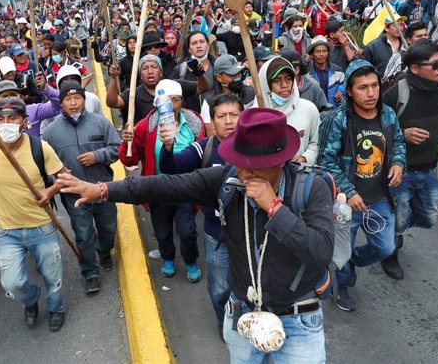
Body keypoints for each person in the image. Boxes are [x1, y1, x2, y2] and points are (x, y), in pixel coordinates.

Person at [58, 107, 334, 364]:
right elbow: (164, 186)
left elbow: (320, 252)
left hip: (297, 318)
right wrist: (104, 190)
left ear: (279, 161)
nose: (244, 172)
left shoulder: (311, 188)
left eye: (254, 165)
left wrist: (275, 208)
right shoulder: (227, 182)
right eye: (240, 162)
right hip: (243, 312)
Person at [0, 97, 69, 332]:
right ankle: (31, 299)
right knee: (12, 283)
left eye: (13, 118)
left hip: (42, 226)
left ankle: (56, 308)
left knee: (52, 276)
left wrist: (50, 191)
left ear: (25, 122)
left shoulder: (40, 147)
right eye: (1, 118)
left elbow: (65, 176)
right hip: (7, 230)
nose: (6, 123)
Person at [318, 59, 406, 312]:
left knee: (385, 247)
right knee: (340, 255)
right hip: (345, 204)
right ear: (349, 90)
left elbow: (398, 143)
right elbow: (327, 163)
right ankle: (341, 288)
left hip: (379, 199)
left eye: (374, 86)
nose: (370, 93)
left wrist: (398, 163)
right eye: (362, 87)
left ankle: (355, 261)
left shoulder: (387, 114)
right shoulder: (337, 120)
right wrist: (350, 191)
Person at [159, 93, 242, 339]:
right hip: (217, 235)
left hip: (254, 236)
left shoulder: (257, 147)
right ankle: (225, 326)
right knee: (219, 289)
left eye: (234, 115)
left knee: (254, 288)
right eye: (221, 116)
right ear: (212, 121)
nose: (229, 121)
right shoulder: (204, 148)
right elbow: (171, 168)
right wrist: (168, 146)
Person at [120, 79, 205, 282]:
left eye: (175, 100)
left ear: (182, 102)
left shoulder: (194, 123)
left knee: (187, 232)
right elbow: (128, 159)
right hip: (157, 188)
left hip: (185, 188)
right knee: (163, 231)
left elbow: (203, 153)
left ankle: (191, 261)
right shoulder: (145, 127)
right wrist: (126, 141)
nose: (170, 105)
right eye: (165, 101)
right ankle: (167, 258)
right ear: (157, 103)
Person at [42, 82, 121, 293]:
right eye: (68, 99)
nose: (74, 103)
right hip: (73, 194)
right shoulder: (50, 132)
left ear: (85, 100)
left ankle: (104, 251)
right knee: (83, 233)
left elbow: (118, 148)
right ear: (61, 103)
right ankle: (90, 273)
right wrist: (56, 173)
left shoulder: (100, 123)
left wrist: (98, 155)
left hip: (102, 188)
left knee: (108, 228)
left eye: (78, 98)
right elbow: (44, 163)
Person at [381, 39, 438, 280]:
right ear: (415, 68)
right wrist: (402, 133)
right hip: (401, 171)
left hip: (430, 170)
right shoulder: (396, 94)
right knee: (398, 218)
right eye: (435, 64)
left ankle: (393, 231)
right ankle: (390, 253)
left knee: (428, 217)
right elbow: (375, 128)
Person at [252, 57, 320, 163]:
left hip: (301, 175)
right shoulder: (254, 116)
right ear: (265, 84)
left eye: (288, 79)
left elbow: (316, 143)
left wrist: (305, 158)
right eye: (276, 80)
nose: (284, 85)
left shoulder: (308, 109)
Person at [107, 54, 209, 124]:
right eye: (145, 68)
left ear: (161, 72)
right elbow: (112, 102)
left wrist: (199, 74)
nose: (150, 71)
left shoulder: (174, 86)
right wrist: (113, 78)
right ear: (140, 75)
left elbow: (202, 88)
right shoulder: (134, 93)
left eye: (154, 67)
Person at [279, 49, 331, 117]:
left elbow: (328, 111)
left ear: (296, 70)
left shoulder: (313, 88)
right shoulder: (277, 88)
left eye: (285, 70)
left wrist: (314, 120)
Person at [306, 36, 346, 108]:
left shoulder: (337, 70)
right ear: (312, 55)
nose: (321, 54)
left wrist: (340, 91)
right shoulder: (307, 74)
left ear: (328, 53)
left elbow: (343, 84)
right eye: (318, 51)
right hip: (316, 112)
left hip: (334, 111)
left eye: (324, 51)